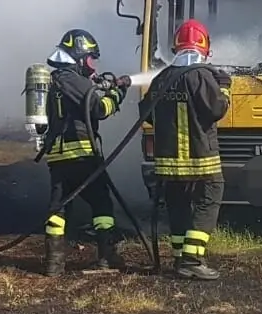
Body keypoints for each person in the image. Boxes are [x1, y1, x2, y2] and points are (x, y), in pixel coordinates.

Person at [139, 18, 231, 280]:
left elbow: (146, 114)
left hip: (168, 162)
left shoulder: (163, 78)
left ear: (176, 47)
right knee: (209, 198)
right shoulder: (201, 76)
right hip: (201, 159)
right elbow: (217, 110)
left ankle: (180, 257)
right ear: (205, 47)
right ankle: (192, 259)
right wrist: (224, 88)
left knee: (178, 205)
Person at [35, 28, 130, 276]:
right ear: (78, 55)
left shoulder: (60, 79)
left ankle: (53, 265)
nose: (93, 64)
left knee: (58, 208)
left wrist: (103, 83)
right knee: (101, 204)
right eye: (91, 58)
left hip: (59, 156)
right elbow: (98, 108)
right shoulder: (70, 78)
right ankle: (107, 257)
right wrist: (118, 93)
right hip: (80, 154)